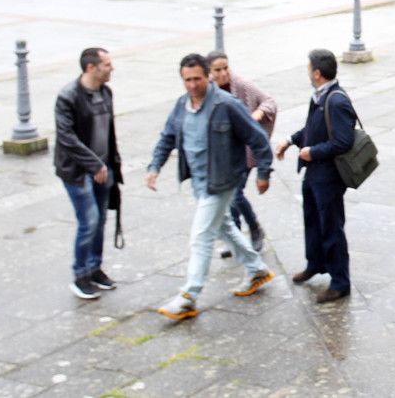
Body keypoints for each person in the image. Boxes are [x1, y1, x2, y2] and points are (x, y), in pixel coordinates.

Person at [147, 54, 275, 320]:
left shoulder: (226, 105)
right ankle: (256, 269)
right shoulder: (182, 105)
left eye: (197, 79)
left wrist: (264, 172)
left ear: (208, 77)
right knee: (224, 226)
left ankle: (188, 296)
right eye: (187, 80)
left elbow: (257, 137)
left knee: (201, 236)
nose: (192, 85)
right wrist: (154, 167)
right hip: (199, 180)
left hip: (223, 179)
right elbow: (168, 136)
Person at [275, 49, 356, 304]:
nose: (308, 73)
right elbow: (312, 128)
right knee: (312, 221)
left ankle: (340, 283)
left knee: (332, 228)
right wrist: (291, 141)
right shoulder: (321, 96)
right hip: (314, 174)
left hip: (329, 177)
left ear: (317, 74)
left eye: (309, 69)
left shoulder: (337, 100)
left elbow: (343, 141)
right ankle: (315, 264)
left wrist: (313, 152)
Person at [54, 47, 123, 300]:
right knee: (89, 220)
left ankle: (95, 268)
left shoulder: (106, 92)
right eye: (106, 64)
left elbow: (109, 132)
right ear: (91, 68)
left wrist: (112, 164)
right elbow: (67, 138)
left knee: (101, 219)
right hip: (79, 171)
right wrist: (95, 165)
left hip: (104, 168)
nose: (111, 68)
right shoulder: (68, 97)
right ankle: (80, 273)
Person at [207, 51, 277, 253]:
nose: (223, 74)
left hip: (244, 151)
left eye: (225, 68)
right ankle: (236, 239)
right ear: (209, 72)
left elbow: (269, 101)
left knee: (234, 195)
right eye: (217, 70)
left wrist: (257, 113)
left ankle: (255, 227)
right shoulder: (208, 89)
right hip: (223, 153)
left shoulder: (242, 85)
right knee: (228, 197)